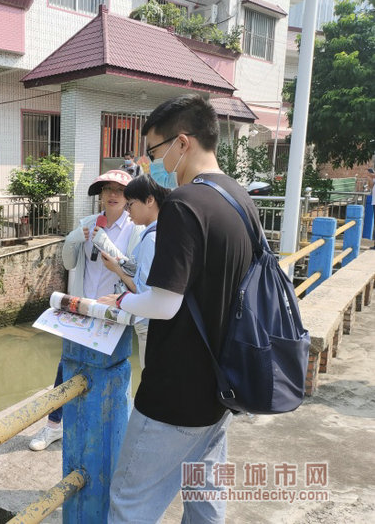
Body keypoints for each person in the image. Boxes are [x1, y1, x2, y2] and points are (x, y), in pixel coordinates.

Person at [98, 94, 262, 523]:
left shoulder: (184, 204)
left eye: (154, 150)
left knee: (129, 503)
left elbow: (165, 303)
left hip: (176, 395)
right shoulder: (240, 200)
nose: (153, 162)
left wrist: (119, 300)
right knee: (204, 495)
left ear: (182, 142)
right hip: (221, 388)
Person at [28, 170, 144, 451]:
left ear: (128, 198)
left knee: (117, 367)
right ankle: (54, 426)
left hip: (116, 310)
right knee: (67, 364)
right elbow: (68, 263)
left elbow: (135, 273)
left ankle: (121, 428)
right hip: (82, 309)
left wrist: (105, 243)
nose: (113, 195)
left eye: (119, 190)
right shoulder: (88, 224)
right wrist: (72, 240)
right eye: (107, 190)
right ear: (101, 196)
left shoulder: (137, 230)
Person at [100, 175, 170, 369]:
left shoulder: (151, 238)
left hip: (149, 326)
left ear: (149, 200)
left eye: (130, 204)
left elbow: (144, 292)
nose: (127, 210)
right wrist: (123, 263)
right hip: (160, 326)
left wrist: (117, 271)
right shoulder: (166, 230)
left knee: (150, 379)